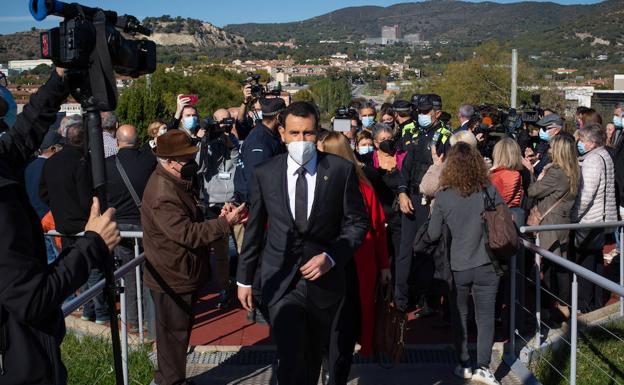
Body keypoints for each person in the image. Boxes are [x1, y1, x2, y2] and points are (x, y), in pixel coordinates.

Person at [0, 66, 121, 385]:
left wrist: (60, 78)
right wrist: (93, 243)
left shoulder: (4, 163)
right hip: (22, 369)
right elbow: (31, 299)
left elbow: (21, 138)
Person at [236, 101, 369, 385]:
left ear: (317, 134)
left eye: (308, 133)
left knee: (310, 355)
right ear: (282, 133)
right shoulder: (265, 173)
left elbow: (357, 223)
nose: (301, 140)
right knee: (290, 352)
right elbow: (255, 228)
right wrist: (244, 278)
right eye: (294, 133)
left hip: (325, 282)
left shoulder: (339, 171)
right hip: (280, 280)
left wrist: (332, 257)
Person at [141, 129, 247, 385]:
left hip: (181, 271)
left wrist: (220, 217)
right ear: (168, 161)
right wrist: (225, 224)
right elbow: (187, 233)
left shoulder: (175, 181)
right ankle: (170, 381)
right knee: (172, 339)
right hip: (172, 275)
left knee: (178, 336)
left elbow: (190, 221)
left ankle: (173, 379)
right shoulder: (163, 192)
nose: (192, 162)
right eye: (186, 159)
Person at [428, 142, 503, 385]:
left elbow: (432, 233)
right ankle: (484, 366)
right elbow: (503, 217)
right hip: (487, 263)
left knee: (460, 315)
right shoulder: (487, 190)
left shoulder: (443, 195)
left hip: (458, 265)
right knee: (486, 316)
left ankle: (463, 363)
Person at [320, 132, 390, 385]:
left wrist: (383, 264)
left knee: (337, 319)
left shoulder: (345, 184)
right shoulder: (363, 185)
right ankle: (337, 364)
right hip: (361, 260)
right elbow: (380, 228)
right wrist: (383, 264)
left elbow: (377, 227)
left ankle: (332, 365)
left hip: (346, 260)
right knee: (350, 318)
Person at [39, 116, 111, 325]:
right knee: (94, 270)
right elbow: (84, 197)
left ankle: (86, 310)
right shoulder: (83, 163)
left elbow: (42, 193)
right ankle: (101, 313)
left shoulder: (51, 163)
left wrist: (59, 207)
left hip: (61, 225)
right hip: (83, 224)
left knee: (74, 268)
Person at [395, 94, 451, 312]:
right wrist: (401, 192)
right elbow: (406, 168)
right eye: (419, 111)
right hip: (411, 198)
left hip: (434, 201)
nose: (422, 115)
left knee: (430, 251)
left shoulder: (447, 137)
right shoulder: (412, 133)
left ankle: (429, 301)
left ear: (437, 112)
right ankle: (401, 299)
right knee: (405, 251)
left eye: (426, 111)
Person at [105, 124, 157, 331]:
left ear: (117, 142)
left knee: (128, 274)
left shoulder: (107, 165)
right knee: (149, 274)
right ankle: (151, 322)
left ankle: (133, 322)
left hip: (120, 226)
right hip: (144, 224)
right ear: (138, 141)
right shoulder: (147, 160)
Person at [526, 134, 580, 318]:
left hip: (550, 224)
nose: (549, 149)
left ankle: (555, 308)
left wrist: (532, 172)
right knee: (560, 264)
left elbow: (533, 191)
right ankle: (562, 306)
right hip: (563, 221)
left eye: (552, 147)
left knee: (551, 266)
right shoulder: (573, 170)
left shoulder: (556, 172)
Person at [572, 123, 617, 313]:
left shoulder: (592, 161)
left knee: (586, 262)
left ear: (591, 142)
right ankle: (597, 301)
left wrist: (574, 215)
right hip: (602, 216)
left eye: (582, 140)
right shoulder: (604, 155)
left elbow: (586, 194)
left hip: (591, 218)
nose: (580, 143)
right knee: (596, 261)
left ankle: (585, 303)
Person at [198, 108, 241, 309]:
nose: (224, 124)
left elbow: (237, 161)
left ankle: (243, 284)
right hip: (214, 204)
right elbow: (200, 168)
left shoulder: (233, 141)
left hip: (234, 201)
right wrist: (206, 140)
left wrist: (229, 141)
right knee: (222, 252)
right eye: (221, 121)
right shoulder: (206, 143)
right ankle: (225, 287)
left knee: (242, 248)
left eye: (227, 120)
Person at [234, 97, 286, 204]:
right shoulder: (260, 141)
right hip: (254, 205)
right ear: (279, 117)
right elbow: (256, 181)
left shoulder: (268, 136)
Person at [369, 123, 406, 267]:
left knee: (399, 255)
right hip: (378, 216)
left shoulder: (403, 157)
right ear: (376, 143)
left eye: (390, 138)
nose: (387, 142)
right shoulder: (369, 160)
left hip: (399, 216)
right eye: (383, 139)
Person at [24, 130, 65, 263]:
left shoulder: (28, 167)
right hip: (50, 222)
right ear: (53, 149)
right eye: (61, 147)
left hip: (34, 222)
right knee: (59, 261)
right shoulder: (53, 166)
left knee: (46, 262)